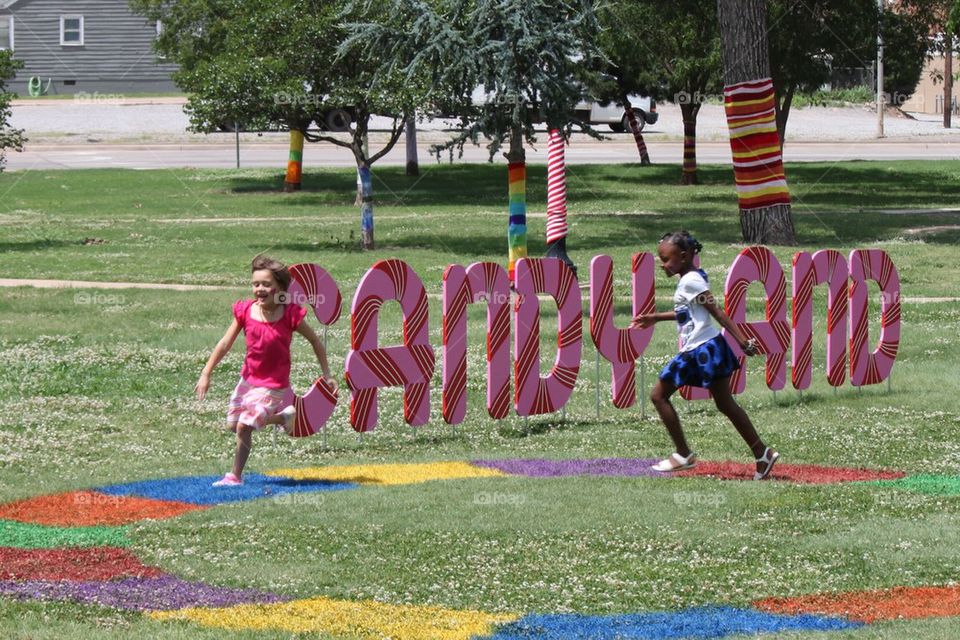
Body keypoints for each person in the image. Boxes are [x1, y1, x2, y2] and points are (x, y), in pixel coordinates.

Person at [631, 231, 779, 480]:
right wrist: (656, 317)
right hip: (710, 348)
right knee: (725, 404)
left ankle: (683, 455)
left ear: (684, 255)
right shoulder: (691, 278)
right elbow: (688, 312)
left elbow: (716, 312)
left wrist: (743, 341)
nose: (662, 264)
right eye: (661, 259)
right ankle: (762, 453)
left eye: (666, 259)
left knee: (658, 395)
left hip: (700, 351)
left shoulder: (691, 280)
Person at [195, 255, 337, 487]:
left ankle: (234, 477)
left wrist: (327, 374)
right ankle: (283, 417)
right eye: (256, 284)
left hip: (273, 385)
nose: (259, 289)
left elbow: (315, 341)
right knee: (234, 424)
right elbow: (224, 343)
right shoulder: (245, 312)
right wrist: (206, 373)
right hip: (248, 381)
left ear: (280, 288)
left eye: (266, 284)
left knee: (244, 426)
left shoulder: (290, 315)